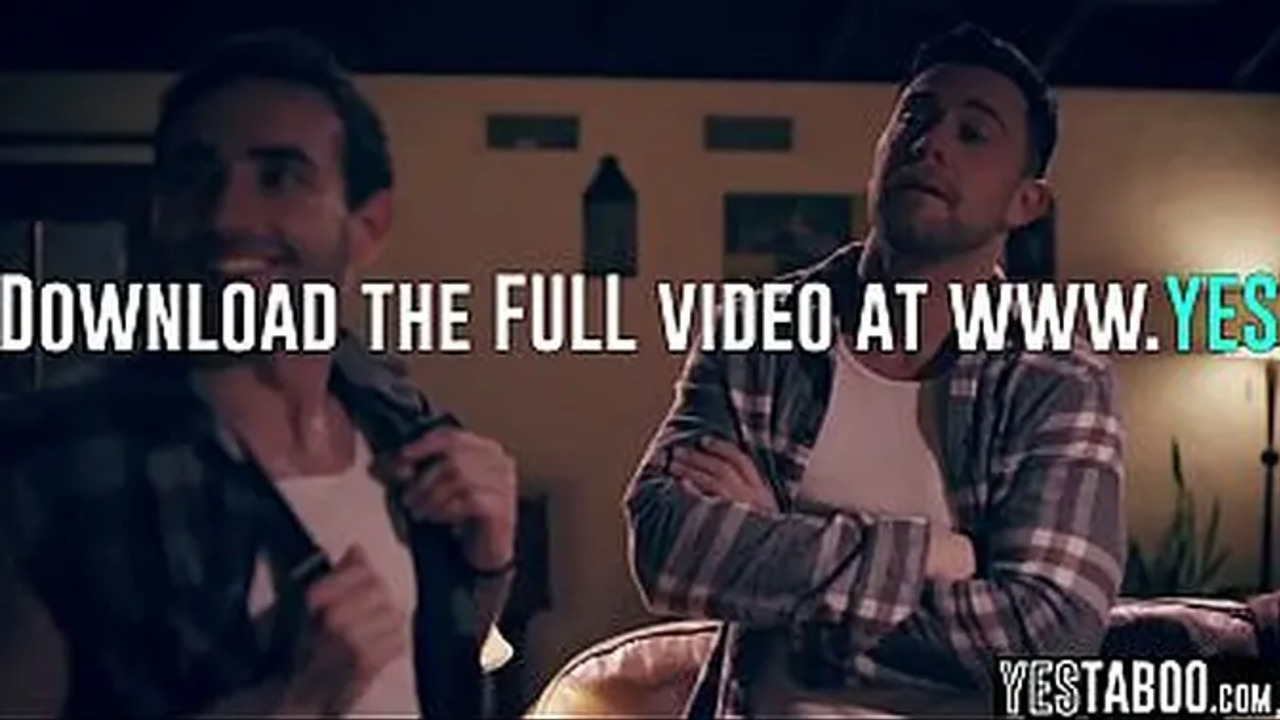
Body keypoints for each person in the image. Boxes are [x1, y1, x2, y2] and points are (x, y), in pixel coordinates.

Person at [0, 30, 517, 718]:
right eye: (192, 177)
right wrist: (292, 702)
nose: (226, 216)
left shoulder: (405, 429)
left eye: (280, 177)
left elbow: (443, 665)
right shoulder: (49, 465)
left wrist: (488, 567)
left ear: (367, 225)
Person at [624, 24, 1125, 718]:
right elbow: (665, 545)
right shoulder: (758, 327)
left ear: (1024, 202)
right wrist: (938, 558)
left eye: (973, 133)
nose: (932, 142)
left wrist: (776, 555)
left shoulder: (1057, 373)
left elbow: (1048, 641)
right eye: (915, 117)